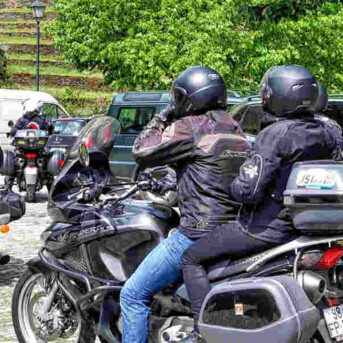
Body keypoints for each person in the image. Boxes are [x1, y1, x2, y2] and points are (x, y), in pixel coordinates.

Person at [180, 65, 343, 342]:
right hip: (305, 228)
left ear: (277, 95)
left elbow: (248, 190)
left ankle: (200, 330)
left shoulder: (275, 133)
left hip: (263, 228)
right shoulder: (327, 130)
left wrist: (230, 184)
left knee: (190, 258)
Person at [119, 66, 251, 343]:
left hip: (196, 233)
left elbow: (142, 151)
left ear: (188, 97)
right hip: (232, 231)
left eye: (177, 97)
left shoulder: (190, 126)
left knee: (132, 295)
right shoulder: (235, 128)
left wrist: (164, 114)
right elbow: (210, 172)